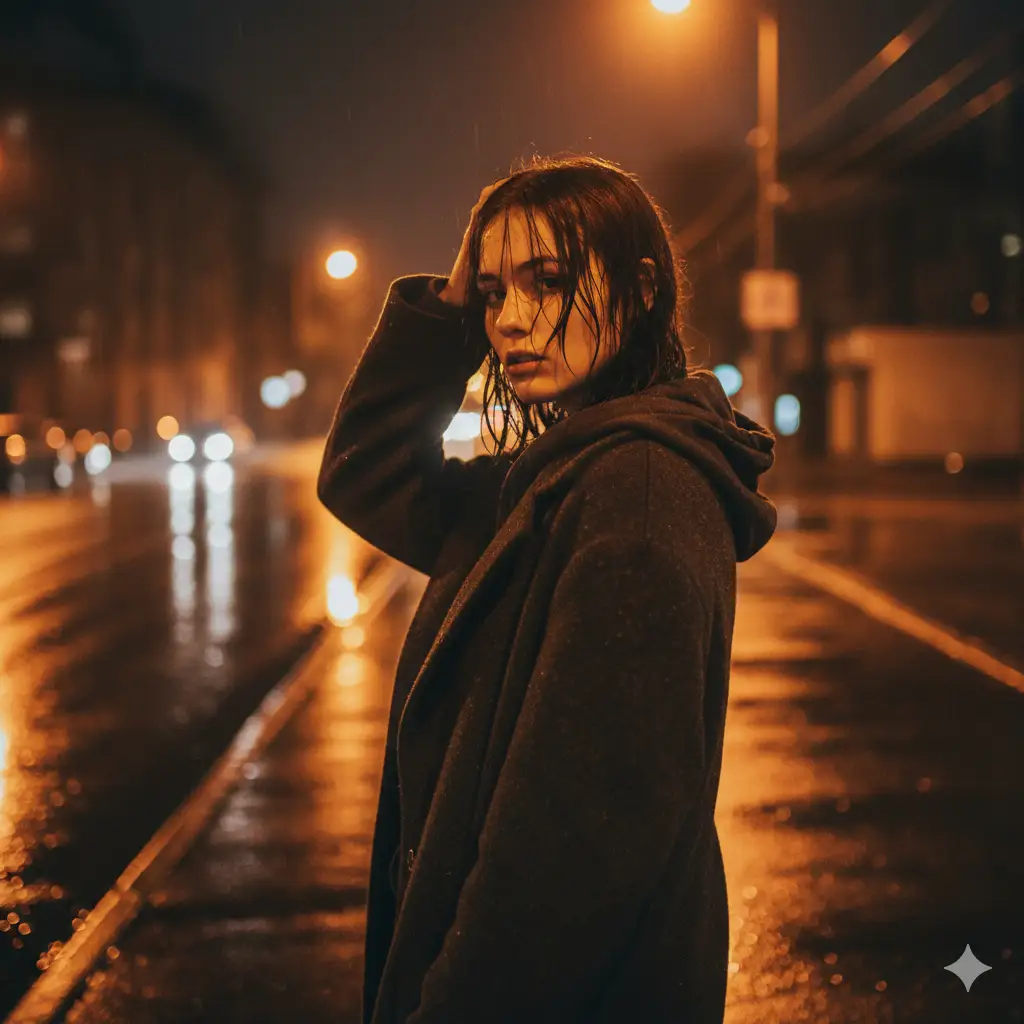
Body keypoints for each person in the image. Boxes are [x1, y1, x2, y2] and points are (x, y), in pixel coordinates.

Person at [317, 154, 777, 1024]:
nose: (512, 321)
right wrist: (448, 315)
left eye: (548, 281)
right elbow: (365, 473)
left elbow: (571, 854)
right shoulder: (556, 479)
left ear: (641, 289)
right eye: (493, 294)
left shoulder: (635, 494)